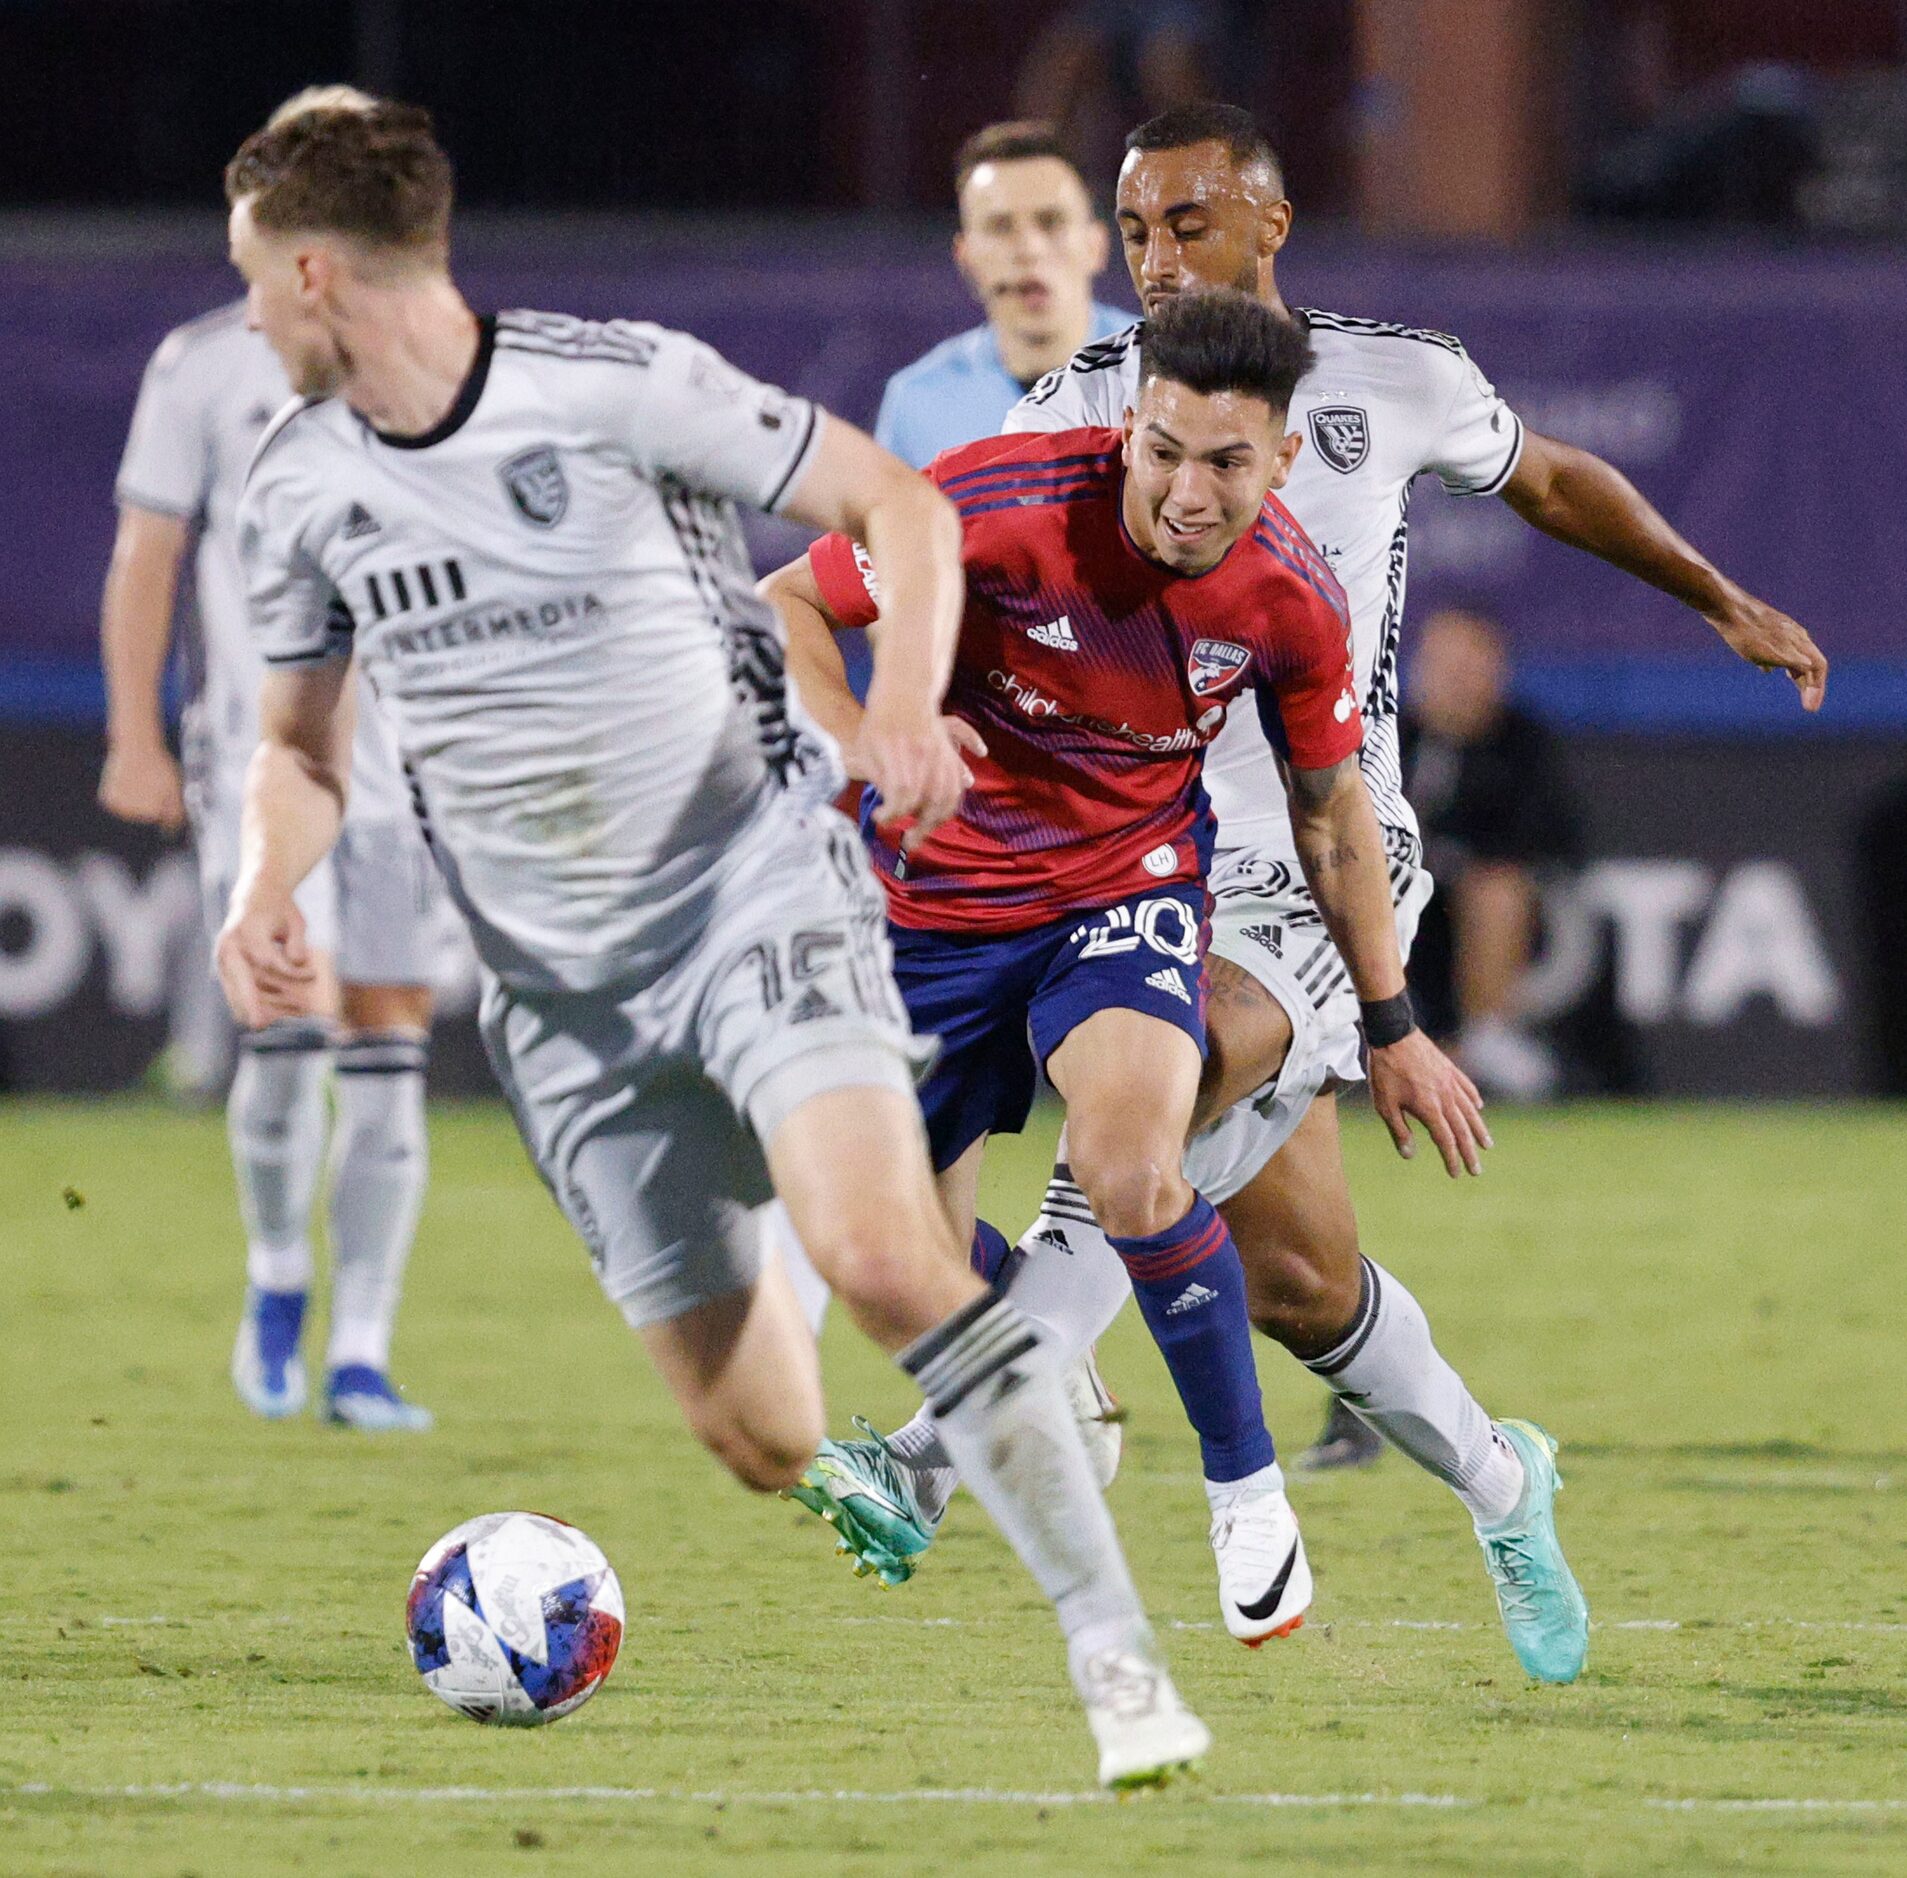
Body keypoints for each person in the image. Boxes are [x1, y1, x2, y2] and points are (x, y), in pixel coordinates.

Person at [212, 96, 1207, 1788]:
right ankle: (807, 1221)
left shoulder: (613, 383)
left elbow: (894, 504)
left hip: (755, 893)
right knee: (763, 1434)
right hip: (562, 1004)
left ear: (313, 273)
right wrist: (263, 887)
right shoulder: (297, 485)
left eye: (248, 285)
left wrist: (898, 712)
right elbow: (302, 749)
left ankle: (1117, 1659)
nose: (243, 319)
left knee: (893, 1260)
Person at [838, 101, 1828, 1687]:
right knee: (1299, 1288)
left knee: (1166, 1086)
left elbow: (1556, 480)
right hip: (1137, 854)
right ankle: (1505, 1479)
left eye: (1186, 222)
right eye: (1136, 228)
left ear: (1268, 226)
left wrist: (1715, 598)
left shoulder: (1394, 377)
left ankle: (938, 1442)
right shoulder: (1089, 400)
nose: (1155, 260)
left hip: (1320, 861)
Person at [765, 289, 1486, 1645]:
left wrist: (1388, 1019)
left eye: (1224, 461)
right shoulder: (985, 504)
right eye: (1162, 450)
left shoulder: (1286, 596)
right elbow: (788, 601)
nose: (1185, 489)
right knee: (872, 1248)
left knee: (1129, 1159)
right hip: (940, 895)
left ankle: (1246, 1496)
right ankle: (1056, 1376)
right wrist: (864, 741)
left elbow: (1333, 815)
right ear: (1127, 428)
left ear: (1276, 462)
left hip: (1123, 887)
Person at [100, 84, 439, 1433]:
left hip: (407, 769)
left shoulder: (437, 366)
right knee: (284, 1034)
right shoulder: (208, 362)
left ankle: (361, 1345)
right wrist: (135, 731)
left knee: (390, 1041)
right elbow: (148, 552)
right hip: (266, 762)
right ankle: (279, 1281)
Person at [872, 122, 1128, 471]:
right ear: (965, 257)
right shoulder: (916, 403)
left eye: (1051, 222)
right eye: (1000, 227)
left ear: (1096, 245)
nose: (1028, 250)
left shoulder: (1166, 375)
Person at [1402, 606, 1582, 1101]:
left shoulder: (1523, 744)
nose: (1455, 683)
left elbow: (1537, 843)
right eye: (1442, 667)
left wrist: (1451, 862)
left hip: (1480, 909)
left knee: (1497, 889)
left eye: (1469, 668)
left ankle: (1487, 1036)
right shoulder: (1386, 736)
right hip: (1397, 900)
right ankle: (1366, 1034)